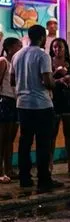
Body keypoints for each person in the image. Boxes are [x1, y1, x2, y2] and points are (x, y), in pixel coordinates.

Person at [11, 25, 61, 192]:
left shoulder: (17, 55)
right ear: (41, 38)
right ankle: (43, 180)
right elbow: (47, 81)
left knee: (25, 142)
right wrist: (57, 83)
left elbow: (12, 80)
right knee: (43, 144)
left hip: (22, 104)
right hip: (41, 105)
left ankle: (25, 178)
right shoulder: (42, 55)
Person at [49, 38, 70, 175]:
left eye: (60, 47)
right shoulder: (48, 62)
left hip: (69, 100)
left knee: (69, 133)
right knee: (52, 134)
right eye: (55, 47)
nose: (57, 50)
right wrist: (59, 79)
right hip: (54, 101)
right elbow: (45, 81)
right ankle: (49, 164)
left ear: (65, 48)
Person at [0, 37, 21, 184]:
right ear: (10, 48)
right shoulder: (3, 61)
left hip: (15, 101)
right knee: (2, 138)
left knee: (10, 138)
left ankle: (9, 168)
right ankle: (1, 171)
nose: (21, 49)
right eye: (18, 47)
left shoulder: (16, 64)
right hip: (5, 100)